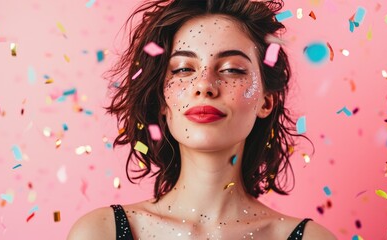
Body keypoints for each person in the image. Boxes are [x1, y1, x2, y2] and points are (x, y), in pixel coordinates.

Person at [68, 0, 336, 239]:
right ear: (162, 101)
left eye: (232, 69)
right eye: (183, 69)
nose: (204, 85)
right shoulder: (99, 232)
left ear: (266, 101)